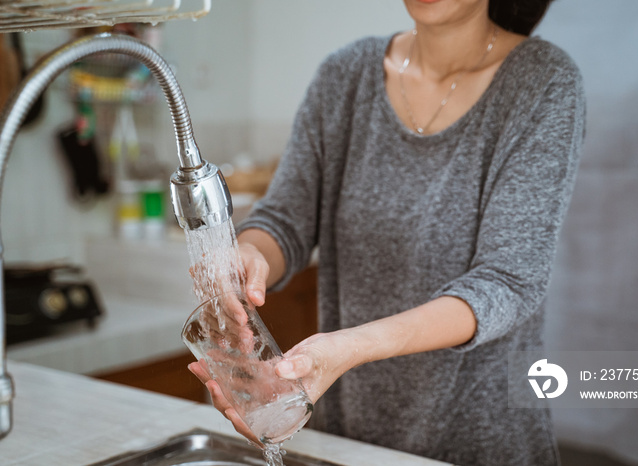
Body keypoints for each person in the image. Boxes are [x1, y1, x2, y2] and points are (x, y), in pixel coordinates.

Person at [189, 0, 586, 464]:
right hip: (352, 439)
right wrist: (251, 254)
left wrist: (349, 348)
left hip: (482, 441)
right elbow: (285, 221)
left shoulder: (543, 81)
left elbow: (507, 283)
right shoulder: (346, 75)